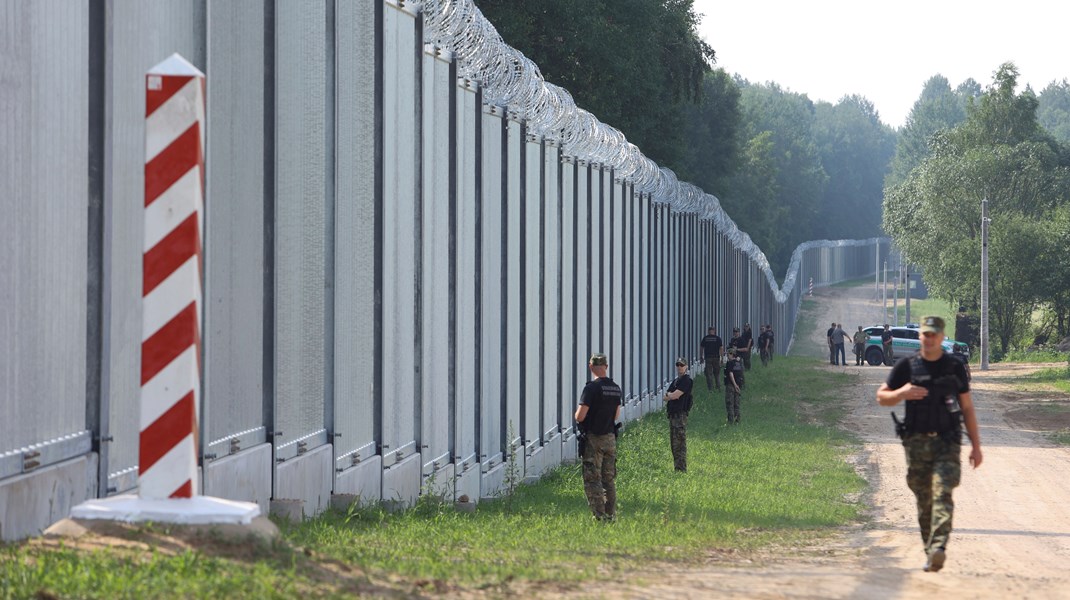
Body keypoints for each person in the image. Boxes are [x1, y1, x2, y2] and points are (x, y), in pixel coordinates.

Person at [876, 316, 983, 573]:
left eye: (935, 334)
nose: (930, 338)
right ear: (921, 336)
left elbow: (967, 408)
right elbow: (882, 397)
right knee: (924, 501)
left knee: (942, 492)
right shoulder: (907, 366)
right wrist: (901, 393)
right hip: (916, 443)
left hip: (947, 442)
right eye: (926, 334)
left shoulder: (954, 367)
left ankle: (939, 547)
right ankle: (930, 551)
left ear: (942, 336)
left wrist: (976, 446)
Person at [575, 353, 623, 520]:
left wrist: (576, 415)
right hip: (610, 438)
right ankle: (611, 515)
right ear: (606, 367)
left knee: (593, 479)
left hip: (594, 440)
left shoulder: (591, 388)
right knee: (608, 479)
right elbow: (616, 415)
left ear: (590, 367)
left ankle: (599, 516)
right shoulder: (615, 388)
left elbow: (580, 416)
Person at [663, 357, 694, 472]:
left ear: (686, 367)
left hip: (680, 416)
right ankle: (677, 468)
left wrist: (670, 395)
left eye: (682, 365)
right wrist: (670, 395)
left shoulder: (687, 380)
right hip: (673, 415)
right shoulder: (676, 381)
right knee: (674, 443)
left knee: (679, 443)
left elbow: (676, 395)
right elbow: (665, 397)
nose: (680, 367)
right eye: (678, 365)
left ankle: (681, 468)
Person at [699, 326, 724, 391]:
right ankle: (718, 388)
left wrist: (701, 356)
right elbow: (721, 348)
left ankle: (710, 389)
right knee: (717, 374)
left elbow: (701, 348)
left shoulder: (705, 338)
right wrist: (722, 358)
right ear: (714, 331)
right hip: (716, 358)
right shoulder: (718, 338)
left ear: (708, 331)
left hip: (708, 358)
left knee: (709, 374)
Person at [723, 347, 744, 424]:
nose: (727, 356)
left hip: (731, 385)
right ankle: (737, 420)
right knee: (737, 404)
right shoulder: (739, 363)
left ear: (732, 354)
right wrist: (738, 386)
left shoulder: (730, 363)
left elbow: (731, 374)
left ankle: (730, 421)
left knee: (730, 403)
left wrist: (734, 385)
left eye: (728, 354)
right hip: (738, 385)